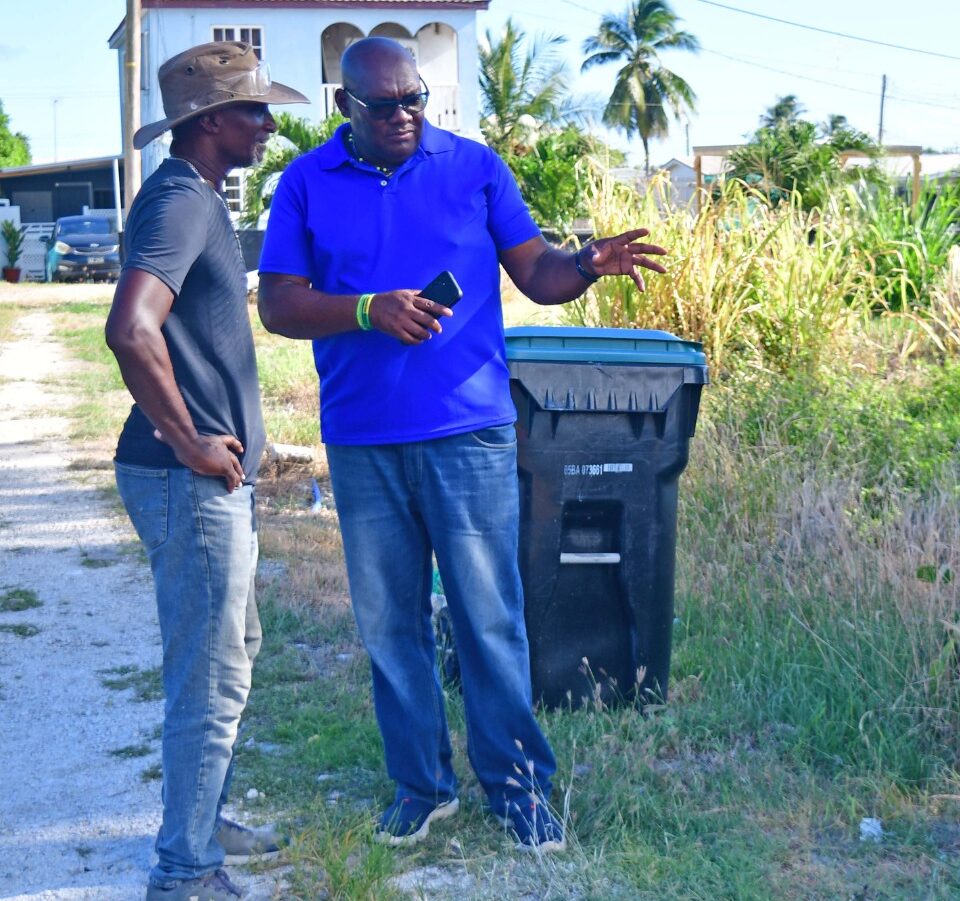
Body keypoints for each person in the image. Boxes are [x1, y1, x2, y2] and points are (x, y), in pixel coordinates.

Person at [257, 37, 666, 852]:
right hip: (365, 439)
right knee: (389, 624)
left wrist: (584, 263)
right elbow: (278, 303)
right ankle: (421, 786)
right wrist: (368, 310)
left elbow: (536, 272)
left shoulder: (475, 167)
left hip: (470, 432)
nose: (405, 115)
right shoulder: (305, 183)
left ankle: (518, 786)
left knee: (490, 618)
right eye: (385, 106)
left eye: (415, 99)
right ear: (347, 108)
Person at [104, 42, 308, 901]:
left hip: (207, 480)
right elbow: (130, 327)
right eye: (255, 111)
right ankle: (185, 869)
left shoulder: (196, 199)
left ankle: (203, 817)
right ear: (210, 122)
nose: (268, 124)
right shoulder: (183, 204)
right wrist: (188, 440)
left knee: (235, 651)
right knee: (210, 674)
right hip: (186, 479)